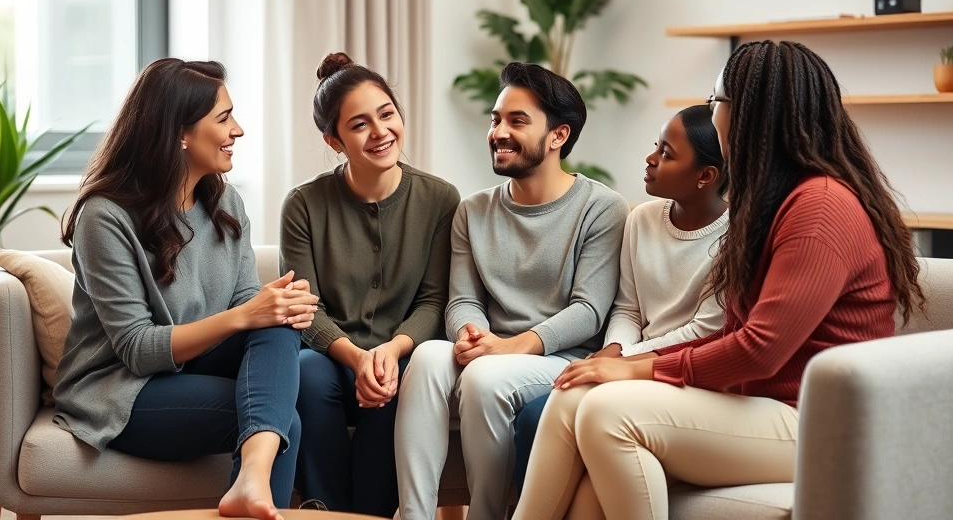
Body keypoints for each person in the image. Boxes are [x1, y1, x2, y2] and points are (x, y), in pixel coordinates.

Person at [513, 40, 926, 520]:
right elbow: (734, 332)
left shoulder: (820, 208)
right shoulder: (775, 200)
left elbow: (759, 349)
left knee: (607, 414)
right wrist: (627, 362)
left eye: (715, 102)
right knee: (574, 397)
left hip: (819, 421)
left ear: (749, 114)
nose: (712, 115)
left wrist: (637, 369)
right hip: (761, 405)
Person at [55, 59, 318, 520]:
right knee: (282, 420)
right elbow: (137, 349)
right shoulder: (105, 216)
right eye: (224, 118)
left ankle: (252, 481)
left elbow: (246, 304)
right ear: (180, 133)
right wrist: (246, 315)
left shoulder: (225, 201)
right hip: (121, 390)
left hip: (197, 363)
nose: (238, 130)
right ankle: (253, 481)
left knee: (278, 322)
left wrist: (268, 309)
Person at [394, 62, 629, 520]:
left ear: (558, 135)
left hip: (563, 357)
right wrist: (471, 334)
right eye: (496, 119)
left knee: (484, 378)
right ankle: (415, 514)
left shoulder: (602, 208)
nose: (499, 132)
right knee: (426, 358)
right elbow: (463, 299)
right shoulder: (473, 210)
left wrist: (507, 348)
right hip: (491, 348)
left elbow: (589, 311)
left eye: (517, 121)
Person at [512, 104, 729, 493]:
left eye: (667, 154)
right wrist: (612, 350)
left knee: (545, 417)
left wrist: (623, 360)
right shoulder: (642, 219)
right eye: (656, 146)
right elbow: (628, 307)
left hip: (681, 373)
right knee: (534, 417)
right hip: (631, 360)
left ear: (706, 176)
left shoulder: (735, 237)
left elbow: (705, 330)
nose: (650, 159)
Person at [280, 52, 460, 517]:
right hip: (331, 357)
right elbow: (304, 308)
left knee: (399, 384)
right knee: (306, 373)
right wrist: (357, 357)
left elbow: (434, 300)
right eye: (359, 125)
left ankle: (370, 515)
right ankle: (327, 510)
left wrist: (390, 352)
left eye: (387, 114)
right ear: (334, 141)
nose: (381, 132)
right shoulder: (303, 204)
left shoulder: (440, 198)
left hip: (400, 356)